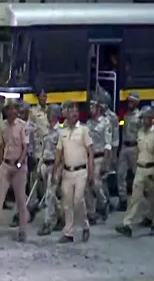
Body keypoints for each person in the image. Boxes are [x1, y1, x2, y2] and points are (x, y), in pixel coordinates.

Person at [0, 99, 29, 243]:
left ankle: (22, 229)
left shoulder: (22, 126)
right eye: (9, 109)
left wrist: (19, 163)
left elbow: (25, 148)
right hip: (5, 165)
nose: (12, 111)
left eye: (14, 109)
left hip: (19, 167)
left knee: (21, 200)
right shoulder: (2, 127)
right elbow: (0, 147)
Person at [51, 102, 93, 243]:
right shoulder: (62, 132)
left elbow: (90, 152)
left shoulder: (83, 130)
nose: (74, 113)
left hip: (81, 171)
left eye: (76, 110)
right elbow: (58, 153)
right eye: (71, 111)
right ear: (66, 114)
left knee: (78, 200)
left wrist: (91, 172)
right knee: (67, 203)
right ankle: (68, 232)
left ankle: (85, 225)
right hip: (67, 172)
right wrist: (54, 172)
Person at [115, 106, 154, 237]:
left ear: (151, 118)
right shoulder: (140, 132)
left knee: (152, 198)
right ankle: (127, 224)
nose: (143, 121)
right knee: (135, 198)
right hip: (140, 168)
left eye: (145, 118)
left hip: (151, 169)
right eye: (142, 119)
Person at [36, 104, 64, 236]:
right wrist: (39, 166)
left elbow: (61, 154)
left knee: (49, 196)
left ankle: (48, 223)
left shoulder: (60, 132)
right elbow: (43, 150)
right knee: (52, 195)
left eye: (50, 113)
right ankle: (61, 216)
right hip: (45, 164)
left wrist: (57, 171)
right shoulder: (47, 131)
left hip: (54, 166)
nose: (47, 116)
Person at [84, 96, 112, 224]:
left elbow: (108, 144)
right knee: (87, 186)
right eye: (90, 106)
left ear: (99, 108)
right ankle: (91, 213)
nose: (91, 109)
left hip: (100, 157)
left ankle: (104, 202)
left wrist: (106, 163)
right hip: (89, 158)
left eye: (93, 106)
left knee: (96, 183)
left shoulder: (105, 123)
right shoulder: (89, 123)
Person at [118, 92, 141, 211]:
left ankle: (142, 202)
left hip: (135, 147)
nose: (129, 103)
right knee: (120, 174)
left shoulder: (140, 116)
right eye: (129, 101)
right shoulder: (126, 115)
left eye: (132, 101)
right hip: (125, 147)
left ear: (137, 102)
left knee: (138, 176)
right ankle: (123, 200)